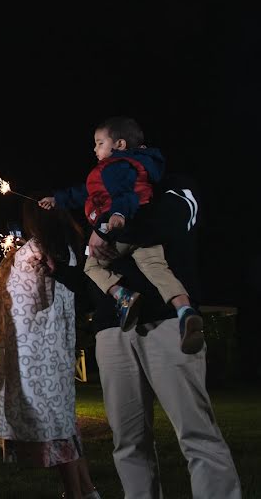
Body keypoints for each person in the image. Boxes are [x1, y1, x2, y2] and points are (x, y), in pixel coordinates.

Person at [87, 179, 242, 498]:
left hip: (166, 322)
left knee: (197, 434)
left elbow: (163, 226)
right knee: (128, 442)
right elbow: (89, 258)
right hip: (112, 327)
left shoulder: (176, 193)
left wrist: (106, 231)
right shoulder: (100, 200)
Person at [0, 201, 100, 499]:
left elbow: (14, 302)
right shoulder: (63, 249)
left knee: (51, 422)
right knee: (63, 420)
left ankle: (77, 494)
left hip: (35, 351)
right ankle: (86, 491)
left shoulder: (37, 251)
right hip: (54, 347)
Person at [39, 116, 202, 353]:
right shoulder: (141, 167)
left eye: (99, 143)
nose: (95, 149)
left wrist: (109, 222)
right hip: (142, 239)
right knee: (156, 267)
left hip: (119, 232)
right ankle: (184, 309)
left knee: (92, 266)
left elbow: (123, 195)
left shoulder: (113, 168)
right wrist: (58, 200)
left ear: (120, 145)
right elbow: (82, 193)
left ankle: (124, 297)